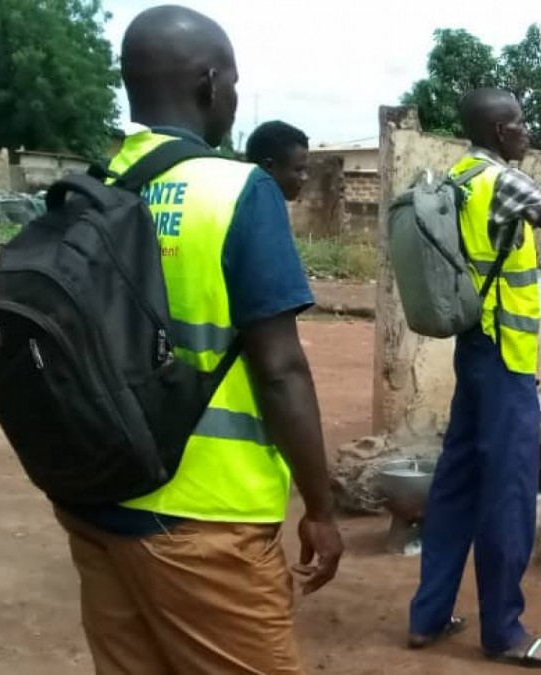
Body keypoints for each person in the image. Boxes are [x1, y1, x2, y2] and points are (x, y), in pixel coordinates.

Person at [51, 6, 342, 673]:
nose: (235, 98)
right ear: (211, 83)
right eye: (234, 83)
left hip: (99, 503)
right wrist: (322, 506)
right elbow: (280, 369)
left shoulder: (90, 190)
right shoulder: (239, 190)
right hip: (207, 519)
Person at [407, 87, 541, 669]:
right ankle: (504, 631)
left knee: (454, 485)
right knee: (510, 494)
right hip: (505, 358)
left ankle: (428, 618)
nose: (527, 132)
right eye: (520, 123)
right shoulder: (504, 180)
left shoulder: (459, 177)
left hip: (474, 348)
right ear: (501, 133)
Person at [246, 120, 311, 200]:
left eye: (305, 170)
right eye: (298, 170)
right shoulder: (258, 210)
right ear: (269, 166)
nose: (305, 178)